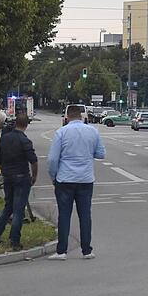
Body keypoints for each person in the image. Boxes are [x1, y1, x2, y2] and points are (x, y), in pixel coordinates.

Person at [47, 103, 105, 260]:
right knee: (85, 215)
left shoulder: (61, 133)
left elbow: (52, 159)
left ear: (67, 117)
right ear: (81, 116)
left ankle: (62, 251)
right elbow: (101, 154)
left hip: (65, 179)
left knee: (64, 215)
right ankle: (87, 250)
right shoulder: (93, 131)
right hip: (86, 179)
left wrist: (53, 176)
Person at [0, 114, 37, 249]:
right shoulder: (25, 140)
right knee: (19, 209)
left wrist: (5, 171)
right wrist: (34, 176)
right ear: (26, 125)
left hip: (8, 176)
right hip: (22, 176)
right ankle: (15, 240)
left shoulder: (4, 139)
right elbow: (33, 160)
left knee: (8, 207)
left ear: (15, 123)